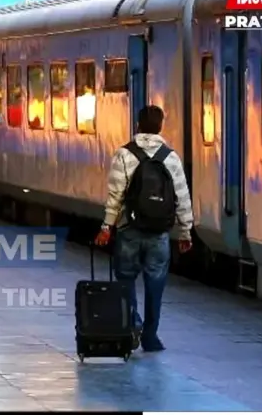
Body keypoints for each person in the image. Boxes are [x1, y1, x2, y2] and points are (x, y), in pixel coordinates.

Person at [95, 105, 193, 353]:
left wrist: (107, 227)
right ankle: (150, 336)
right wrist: (185, 231)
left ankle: (133, 322)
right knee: (155, 283)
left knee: (125, 279)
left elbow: (115, 196)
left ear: (138, 125)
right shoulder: (171, 158)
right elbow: (182, 197)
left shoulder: (124, 154)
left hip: (129, 229)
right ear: (160, 126)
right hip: (159, 232)